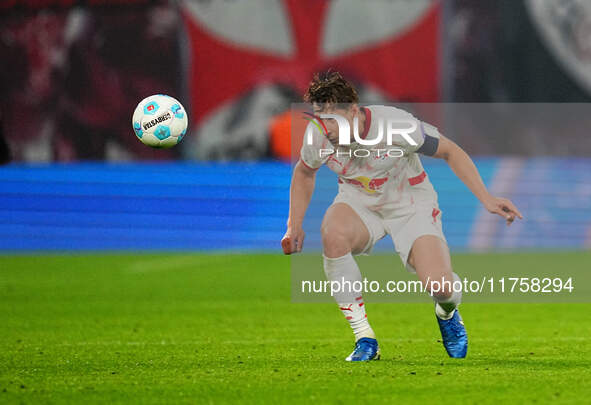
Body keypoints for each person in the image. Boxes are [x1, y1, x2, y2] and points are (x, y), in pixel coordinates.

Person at [281, 72, 523, 361]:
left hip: (410, 204)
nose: (327, 129)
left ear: (354, 111)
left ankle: (447, 313)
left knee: (441, 286)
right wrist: (294, 224)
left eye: (333, 119)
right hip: (358, 203)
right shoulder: (318, 136)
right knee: (332, 234)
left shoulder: (396, 126)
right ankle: (365, 339)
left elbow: (449, 151)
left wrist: (487, 198)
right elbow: (305, 172)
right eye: (321, 119)